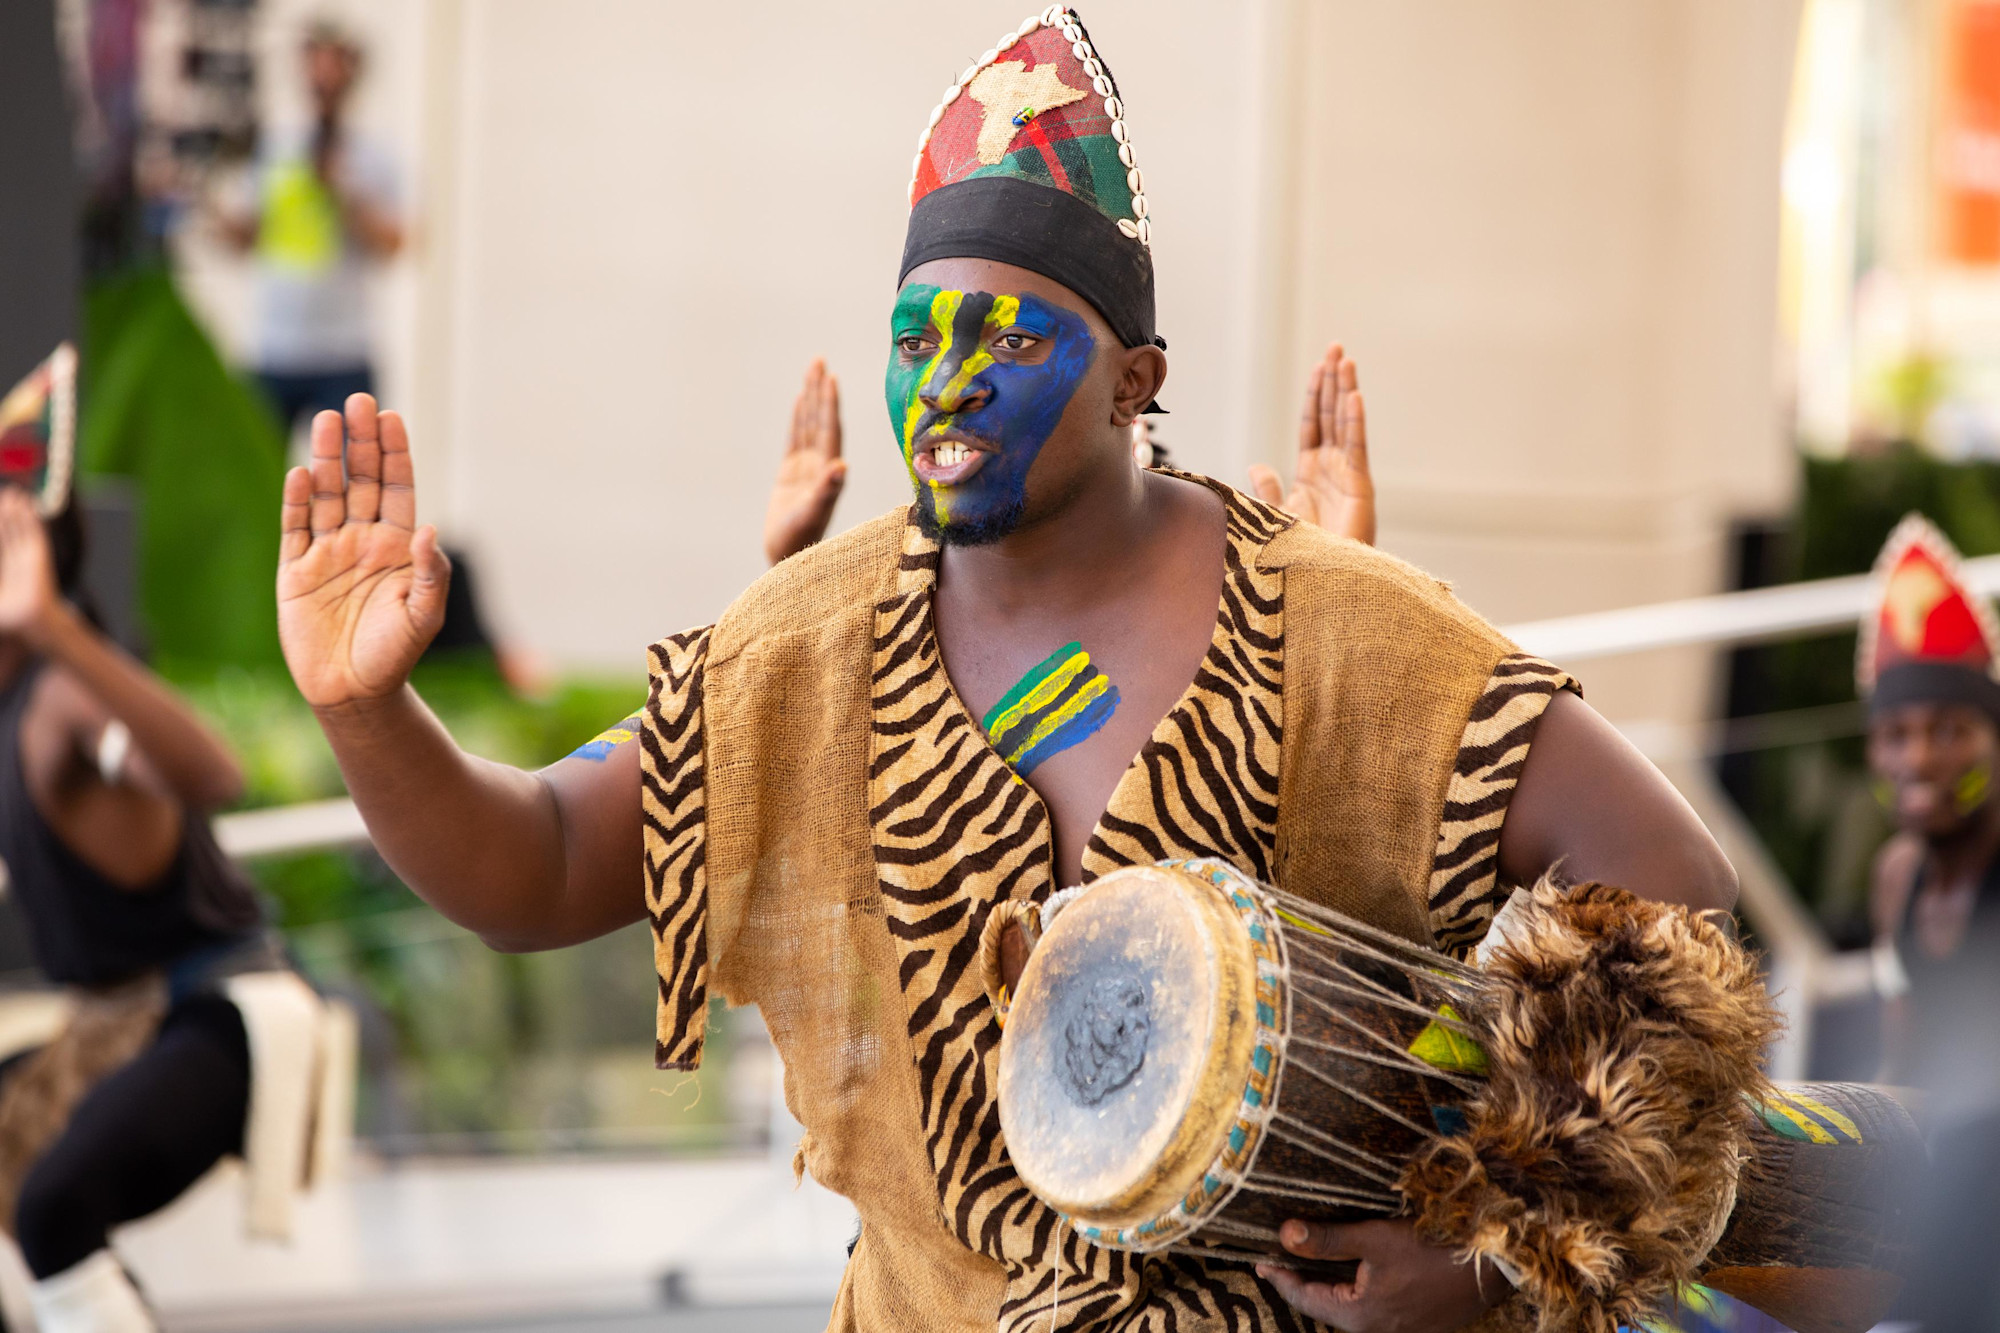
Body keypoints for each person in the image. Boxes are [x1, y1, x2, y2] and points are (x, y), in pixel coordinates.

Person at [274, 9, 1738, 1330]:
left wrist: (1492, 1239)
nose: (948, 382)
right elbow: (532, 868)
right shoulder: (806, 649)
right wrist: (365, 710)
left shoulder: (1352, 634)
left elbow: (1677, 890)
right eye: (917, 338)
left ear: (1133, 379)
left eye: (1007, 334)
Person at [0, 346, 330, 1333]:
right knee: (42, 1206)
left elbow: (209, 774)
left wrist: (51, 627)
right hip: (114, 1026)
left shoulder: (59, 699)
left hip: (222, 1016)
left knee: (56, 1205)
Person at [1859, 514, 2000, 1329]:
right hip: (1954, 1191)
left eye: (1951, 729)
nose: (1920, 759)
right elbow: (1902, 1061)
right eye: (1897, 734)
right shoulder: (1896, 879)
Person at [213, 19, 403, 436]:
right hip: (275, 348)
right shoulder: (276, 146)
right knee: (261, 482)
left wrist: (345, 190)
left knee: (357, 477)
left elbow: (396, 244)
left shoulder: (374, 154)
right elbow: (244, 238)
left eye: (334, 64)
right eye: (316, 63)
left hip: (345, 351)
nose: (324, 76)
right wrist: (203, 200)